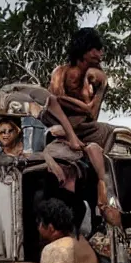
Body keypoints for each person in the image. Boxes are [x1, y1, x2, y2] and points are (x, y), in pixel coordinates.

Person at [48, 27, 121, 226]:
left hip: (87, 130)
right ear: (84, 50)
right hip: (59, 129)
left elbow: (92, 115)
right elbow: (53, 102)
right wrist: (82, 107)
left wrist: (98, 92)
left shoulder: (97, 78)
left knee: (109, 132)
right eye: (95, 49)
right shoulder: (60, 73)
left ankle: (103, 195)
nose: (100, 54)